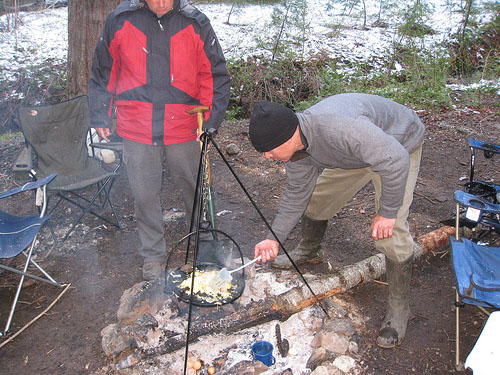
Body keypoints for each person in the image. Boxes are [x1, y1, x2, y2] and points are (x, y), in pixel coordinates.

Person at [248, 93, 425, 349]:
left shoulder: (340, 129)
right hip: (361, 152)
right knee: (316, 199)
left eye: (268, 150)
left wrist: (387, 212)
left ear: (287, 137)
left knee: (391, 230)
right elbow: (297, 195)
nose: (267, 157)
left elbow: (394, 158)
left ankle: (399, 309)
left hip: (399, 145)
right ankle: (310, 250)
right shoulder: (297, 152)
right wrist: (273, 238)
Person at [88, 0, 230, 281]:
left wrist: (211, 122)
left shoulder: (195, 22)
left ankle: (204, 245)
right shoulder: (121, 20)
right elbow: (103, 73)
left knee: (193, 187)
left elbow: (214, 75)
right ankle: (152, 256)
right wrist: (100, 116)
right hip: (136, 124)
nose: (162, 3)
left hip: (185, 123)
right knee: (144, 195)